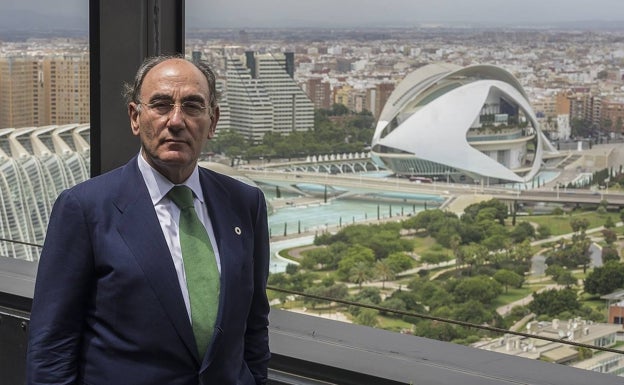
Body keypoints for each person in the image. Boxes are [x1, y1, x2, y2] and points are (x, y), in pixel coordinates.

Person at [26, 55, 271, 385]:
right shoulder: (85, 210)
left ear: (212, 121)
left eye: (193, 106)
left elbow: (254, 324)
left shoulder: (245, 204)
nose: (176, 120)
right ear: (135, 117)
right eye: (160, 104)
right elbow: (52, 345)